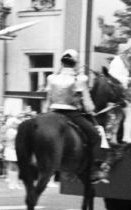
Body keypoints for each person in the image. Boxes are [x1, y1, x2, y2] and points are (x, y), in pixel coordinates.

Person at [45, 49, 107, 183]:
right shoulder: (80, 79)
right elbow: (88, 104)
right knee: (95, 136)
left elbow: (48, 100)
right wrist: (91, 110)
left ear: (62, 62)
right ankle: (94, 169)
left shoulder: (51, 78)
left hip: (53, 112)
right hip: (71, 113)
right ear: (75, 63)